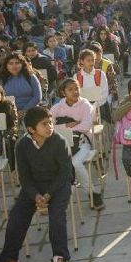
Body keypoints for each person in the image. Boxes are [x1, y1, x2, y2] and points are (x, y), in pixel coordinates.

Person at [0, 106, 73, 262]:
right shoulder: (22, 145)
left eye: (50, 122)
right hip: (33, 188)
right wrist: (35, 195)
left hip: (57, 186)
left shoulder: (59, 141)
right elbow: (24, 177)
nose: (50, 126)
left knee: (56, 218)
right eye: (44, 124)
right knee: (16, 218)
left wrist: (48, 194)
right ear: (31, 129)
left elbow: (65, 174)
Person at [50, 78, 104, 211]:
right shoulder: (57, 107)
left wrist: (64, 129)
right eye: (70, 89)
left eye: (76, 88)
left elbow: (85, 126)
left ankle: (93, 193)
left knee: (75, 163)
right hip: (63, 145)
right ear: (63, 92)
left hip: (82, 143)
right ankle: (56, 196)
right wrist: (66, 125)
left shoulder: (85, 105)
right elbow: (48, 127)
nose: (75, 92)